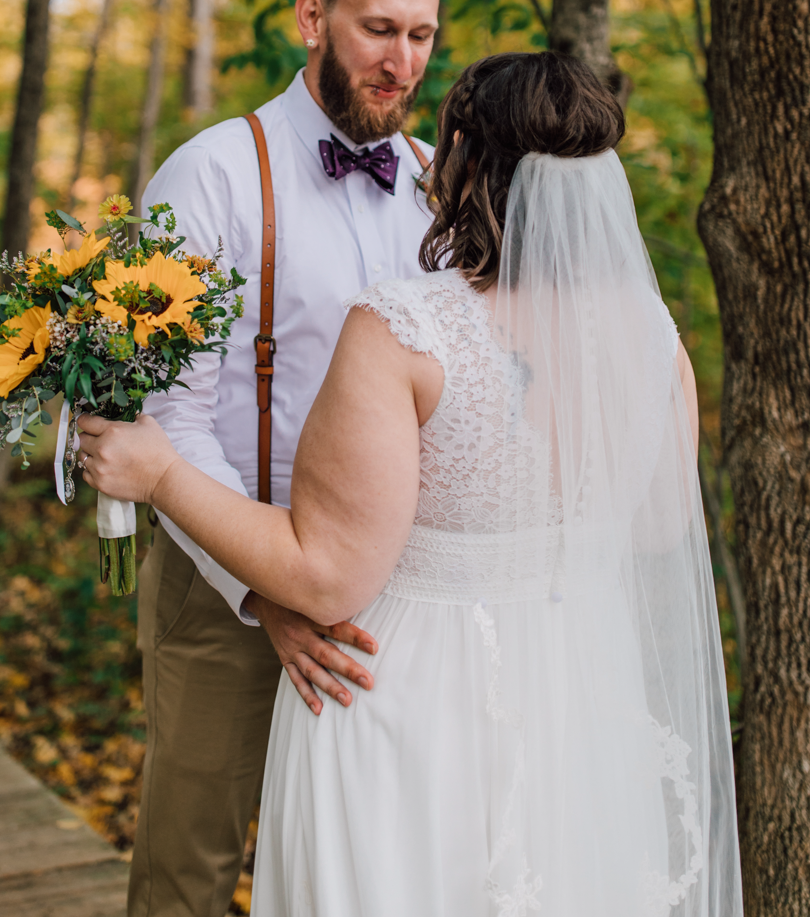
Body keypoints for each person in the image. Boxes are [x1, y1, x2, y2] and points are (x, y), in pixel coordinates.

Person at [79, 51, 742, 917]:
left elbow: (327, 575)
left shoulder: (404, 327)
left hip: (415, 703)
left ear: (462, 157)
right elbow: (655, 529)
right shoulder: (652, 335)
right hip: (581, 690)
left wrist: (159, 471)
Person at [123, 0, 448, 917]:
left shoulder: (441, 184)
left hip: (395, 601)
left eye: (422, 34)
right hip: (223, 583)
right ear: (313, 17)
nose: (402, 61)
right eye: (376, 29)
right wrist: (269, 590)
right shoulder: (210, 173)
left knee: (364, 869)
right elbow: (161, 420)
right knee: (189, 866)